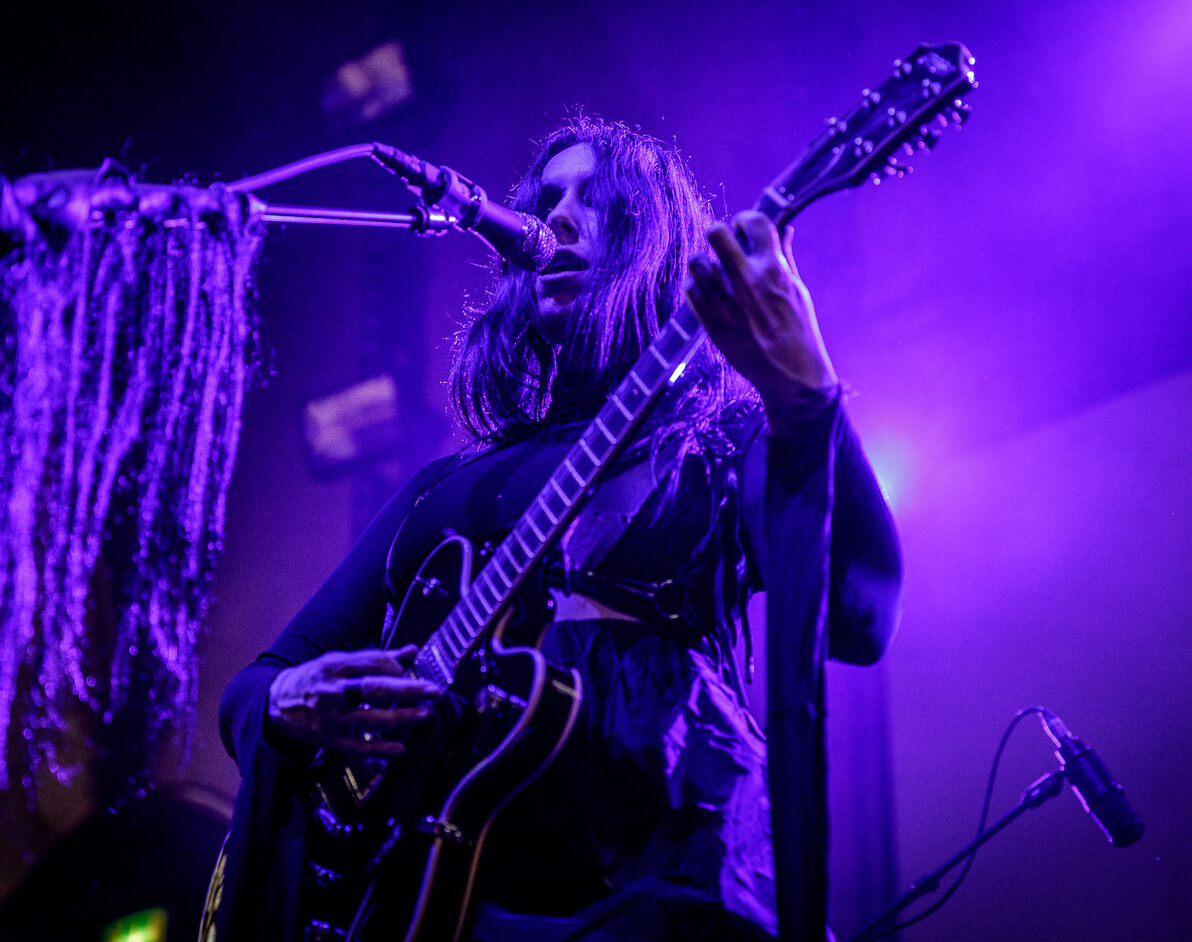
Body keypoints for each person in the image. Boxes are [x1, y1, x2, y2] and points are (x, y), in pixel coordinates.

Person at [213, 116, 902, 941]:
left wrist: (809, 393)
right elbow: (256, 685)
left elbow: (860, 620)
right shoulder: (447, 487)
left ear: (656, 242)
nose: (560, 218)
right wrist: (290, 701)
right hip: (428, 896)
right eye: (547, 198)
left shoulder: (720, 440)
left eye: (598, 199)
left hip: (648, 878)